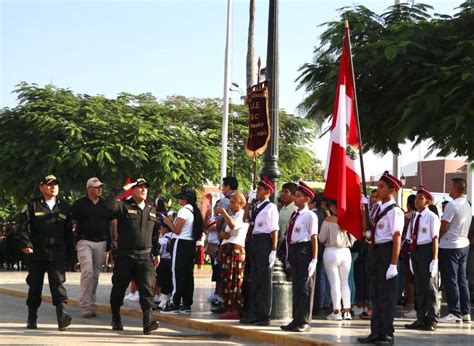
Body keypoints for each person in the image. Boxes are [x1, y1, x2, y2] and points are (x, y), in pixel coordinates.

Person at [16, 175, 74, 331]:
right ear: (41, 187)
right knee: (35, 287)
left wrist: (71, 254)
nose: (53, 187)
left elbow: (69, 233)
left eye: (55, 184)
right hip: (37, 253)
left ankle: (62, 317)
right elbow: (22, 227)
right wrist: (25, 244)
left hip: (57, 254)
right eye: (49, 185)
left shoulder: (64, 206)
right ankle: (32, 317)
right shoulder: (32, 205)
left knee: (58, 285)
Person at [107, 178, 160, 335]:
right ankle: (116, 317)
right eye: (139, 187)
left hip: (145, 257)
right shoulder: (123, 206)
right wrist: (124, 188)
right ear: (132, 190)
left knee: (147, 290)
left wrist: (156, 252)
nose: (143, 189)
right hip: (125, 256)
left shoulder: (151, 209)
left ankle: (148, 322)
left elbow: (155, 234)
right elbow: (108, 204)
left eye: (145, 187)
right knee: (118, 289)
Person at [358, 171, 404, 346]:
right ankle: (375, 332)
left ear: (392, 190)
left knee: (387, 296)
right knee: (375, 295)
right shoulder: (377, 208)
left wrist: (393, 264)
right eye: (378, 186)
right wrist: (364, 209)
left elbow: (397, 237)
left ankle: (387, 334)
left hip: (386, 252)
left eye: (382, 186)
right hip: (374, 250)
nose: (378, 189)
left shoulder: (395, 212)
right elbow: (366, 230)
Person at [70, 177, 113, 318]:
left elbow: (112, 222)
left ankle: (91, 303)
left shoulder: (106, 205)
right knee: (87, 272)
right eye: (96, 187)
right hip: (84, 241)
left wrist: (114, 239)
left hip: (101, 242)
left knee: (95, 275)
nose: (99, 189)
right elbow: (69, 220)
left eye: (101, 187)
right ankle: (85, 305)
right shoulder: (79, 204)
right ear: (88, 188)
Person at [240, 175, 279, 326]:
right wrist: (249, 202)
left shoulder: (271, 207)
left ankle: (264, 315)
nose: (257, 191)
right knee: (254, 278)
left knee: (264, 280)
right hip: (254, 241)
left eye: (260, 189)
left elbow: (274, 230)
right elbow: (245, 218)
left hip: (264, 242)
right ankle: (253, 313)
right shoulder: (256, 206)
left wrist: (273, 250)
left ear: (268, 191)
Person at [280, 181, 318, 332]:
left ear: (307, 199)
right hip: (294, 250)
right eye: (295, 195)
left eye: (298, 196)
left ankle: (305, 321)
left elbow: (313, 237)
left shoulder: (310, 216)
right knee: (296, 287)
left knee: (305, 288)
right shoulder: (295, 215)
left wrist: (314, 259)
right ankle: (296, 319)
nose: (295, 198)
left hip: (304, 250)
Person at [161, 187, 204, 314]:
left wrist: (168, 222)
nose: (178, 199)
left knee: (176, 273)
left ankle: (175, 302)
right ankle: (186, 303)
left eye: (180, 197)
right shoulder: (194, 211)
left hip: (180, 243)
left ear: (185, 199)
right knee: (187, 274)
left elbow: (177, 230)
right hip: (190, 244)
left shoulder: (183, 211)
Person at [404, 186, 440, 331]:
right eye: (417, 197)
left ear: (428, 202)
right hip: (416, 251)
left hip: (427, 250)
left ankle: (432, 318)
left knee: (430, 286)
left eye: (421, 198)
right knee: (419, 286)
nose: (417, 200)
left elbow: (435, 238)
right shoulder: (414, 216)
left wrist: (434, 258)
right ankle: (421, 318)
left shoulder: (432, 217)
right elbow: (410, 237)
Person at [438, 178, 472, 323]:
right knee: (462, 279)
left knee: (450, 279)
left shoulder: (452, 205)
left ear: (456, 188)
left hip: (450, 246)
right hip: (464, 244)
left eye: (451, 186)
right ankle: (465, 312)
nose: (449, 189)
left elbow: (443, 226)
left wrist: (436, 238)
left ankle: (455, 312)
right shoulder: (468, 204)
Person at [318, 199, 356, 321]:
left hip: (331, 251)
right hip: (345, 252)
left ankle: (336, 311)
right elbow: (354, 238)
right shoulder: (348, 220)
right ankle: (347, 311)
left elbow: (321, 238)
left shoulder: (328, 220)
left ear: (334, 207)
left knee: (334, 283)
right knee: (345, 282)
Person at [214, 192, 249, 320]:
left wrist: (223, 213)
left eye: (233, 202)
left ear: (241, 204)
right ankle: (227, 307)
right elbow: (227, 234)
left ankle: (234, 308)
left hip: (235, 250)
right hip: (227, 249)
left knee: (234, 280)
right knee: (227, 280)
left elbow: (233, 228)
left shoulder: (241, 216)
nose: (231, 205)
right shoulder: (234, 216)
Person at [155, 222, 173, 310]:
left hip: (163, 263)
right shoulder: (174, 237)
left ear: (165, 229)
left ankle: (162, 303)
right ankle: (169, 301)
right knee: (171, 282)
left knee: (163, 283)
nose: (160, 230)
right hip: (172, 262)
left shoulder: (162, 240)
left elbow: (159, 252)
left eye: (161, 228)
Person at [278, 182, 298, 247]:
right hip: (279, 245)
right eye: (282, 191)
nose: (282, 194)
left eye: (286, 192)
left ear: (294, 195)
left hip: (289, 247)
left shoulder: (295, 210)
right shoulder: (282, 209)